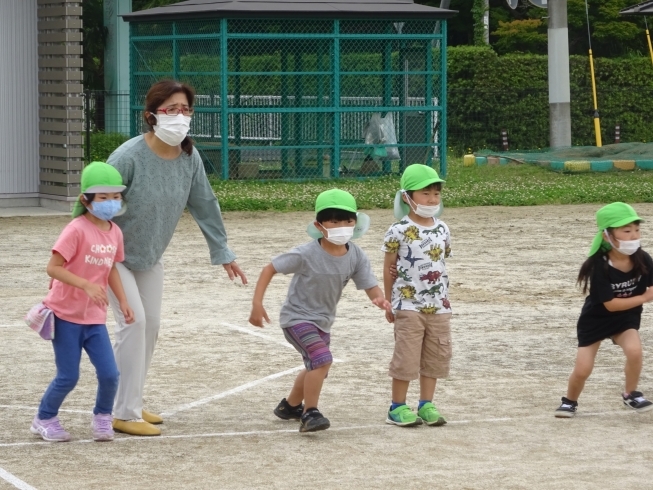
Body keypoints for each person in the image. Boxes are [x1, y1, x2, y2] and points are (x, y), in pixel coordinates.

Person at [106, 80, 247, 436]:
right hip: (111, 256)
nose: (179, 116)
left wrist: (223, 251)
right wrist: (76, 258)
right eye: (171, 109)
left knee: (150, 326)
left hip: (150, 254)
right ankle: (123, 413)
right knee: (133, 323)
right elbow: (90, 205)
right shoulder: (127, 157)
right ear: (152, 114)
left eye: (185, 109)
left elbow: (205, 203)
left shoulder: (189, 156)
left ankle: (131, 401)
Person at [248, 189, 391, 432]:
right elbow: (269, 268)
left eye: (347, 220)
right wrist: (257, 304)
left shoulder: (355, 255)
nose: (341, 226)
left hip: (323, 321)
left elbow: (370, 286)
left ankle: (290, 406)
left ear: (356, 223)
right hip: (296, 318)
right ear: (319, 225)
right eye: (333, 221)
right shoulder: (305, 253)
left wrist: (380, 300)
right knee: (322, 360)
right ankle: (309, 413)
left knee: (316, 365)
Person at [31, 162, 135, 442]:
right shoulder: (76, 229)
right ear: (85, 199)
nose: (111, 203)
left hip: (94, 318)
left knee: (111, 374)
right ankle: (43, 418)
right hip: (65, 316)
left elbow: (111, 267)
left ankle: (102, 418)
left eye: (115, 197)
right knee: (68, 376)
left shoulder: (115, 231)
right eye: (103, 197)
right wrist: (86, 284)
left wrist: (123, 301)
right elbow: (53, 267)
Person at [555, 202, 653, 418]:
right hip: (596, 320)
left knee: (635, 352)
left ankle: (631, 394)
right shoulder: (599, 266)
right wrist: (645, 297)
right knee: (583, 369)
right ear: (607, 236)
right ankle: (569, 401)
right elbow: (611, 304)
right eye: (626, 231)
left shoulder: (642, 258)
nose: (633, 235)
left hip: (626, 318)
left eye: (637, 230)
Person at [381, 164, 452, 427]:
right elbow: (389, 268)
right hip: (408, 304)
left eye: (436, 193)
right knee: (406, 356)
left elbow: (441, 262)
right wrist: (389, 301)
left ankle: (426, 404)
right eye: (425, 193)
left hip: (440, 305)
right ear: (406, 197)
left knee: (435, 356)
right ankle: (397, 407)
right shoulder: (398, 229)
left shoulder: (443, 228)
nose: (432, 199)